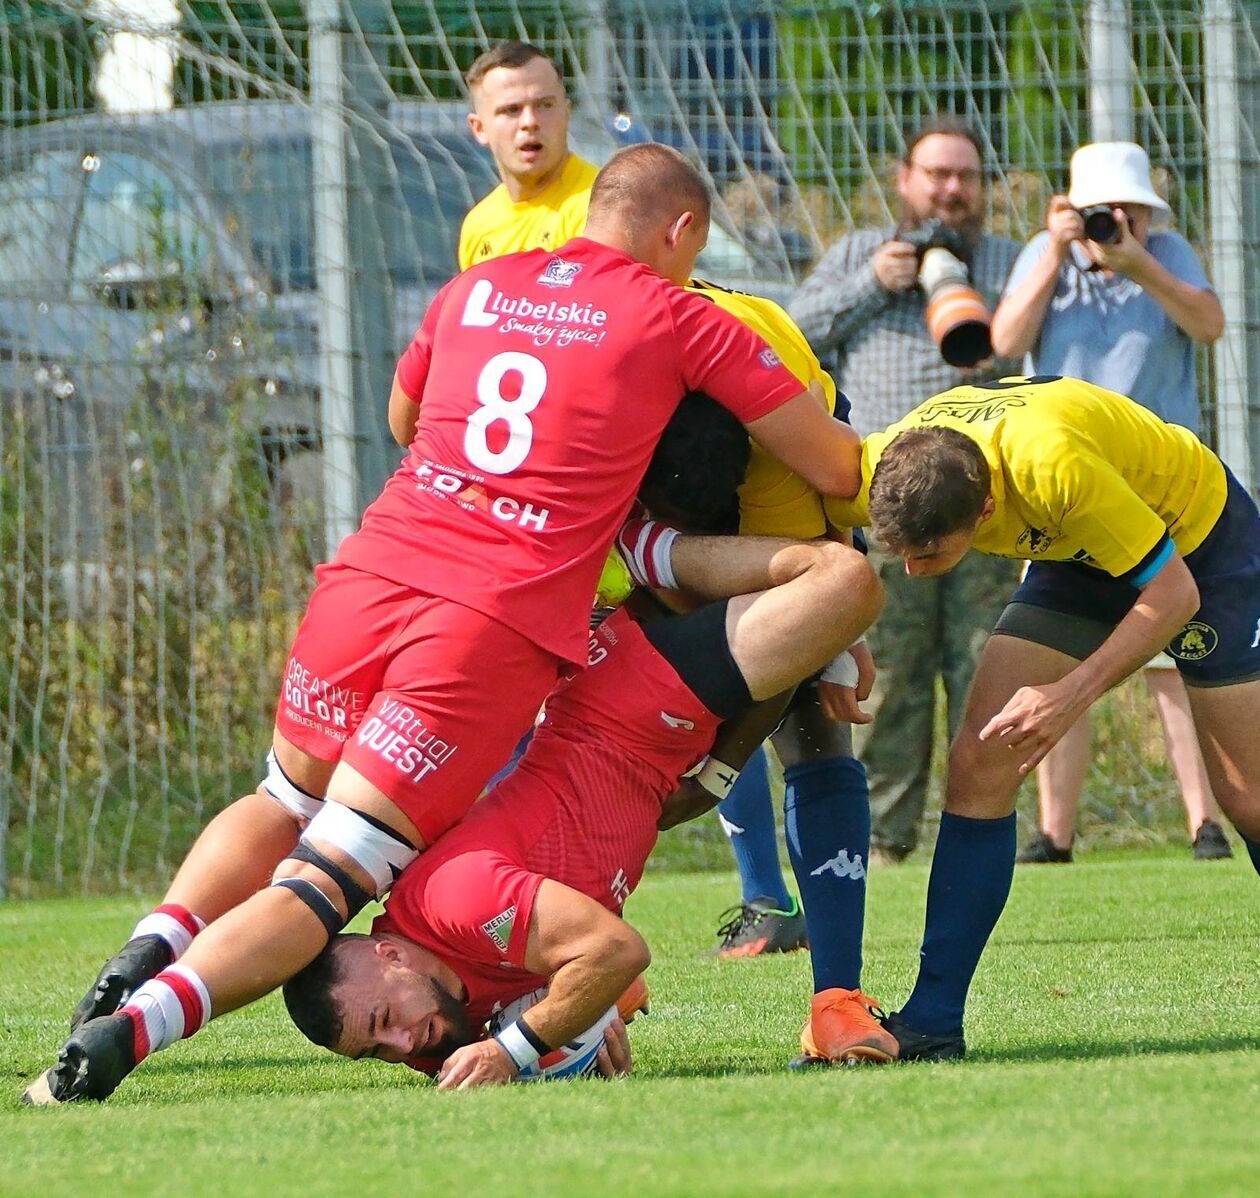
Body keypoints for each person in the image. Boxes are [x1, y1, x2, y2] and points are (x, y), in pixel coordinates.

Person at [28, 144, 865, 1105]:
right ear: (685, 234)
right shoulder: (678, 313)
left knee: (281, 798)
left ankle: (156, 941)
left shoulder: (477, 287)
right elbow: (840, 470)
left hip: (367, 577)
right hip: (484, 618)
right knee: (327, 879)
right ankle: (135, 1029)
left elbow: (402, 415)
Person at [282, 532, 884, 1087]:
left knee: (843, 581)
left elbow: (618, 953)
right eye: (377, 1050)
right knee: (815, 615)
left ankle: (640, 544)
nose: (404, 1043)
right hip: (652, 741)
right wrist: (585, 1009)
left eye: (386, 1019)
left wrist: (517, 1046)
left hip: (638, 696)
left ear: (390, 955)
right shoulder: (430, 1017)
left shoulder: (454, 900)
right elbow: (597, 979)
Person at [823, 373, 1260, 1061]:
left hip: (1197, 541)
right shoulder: (882, 465)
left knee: (1248, 799)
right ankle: (934, 1021)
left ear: (989, 507)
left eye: (928, 554)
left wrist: (1071, 694)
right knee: (979, 760)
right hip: (1075, 553)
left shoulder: (1053, 468)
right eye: (898, 551)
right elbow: (823, 522)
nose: (911, 569)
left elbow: (1173, 594)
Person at [790, 115, 1024, 865]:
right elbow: (786, 336)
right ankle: (886, 843)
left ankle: (988, 830)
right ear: (904, 180)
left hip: (989, 511)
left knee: (985, 668)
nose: (951, 191)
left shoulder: (1007, 262)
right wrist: (873, 283)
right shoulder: (859, 253)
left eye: (965, 177)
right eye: (937, 174)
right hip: (888, 508)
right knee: (889, 684)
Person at [991, 140, 1231, 864]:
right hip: (1062, 488)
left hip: (1159, 483)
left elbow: (1210, 324)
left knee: (1174, 655)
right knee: (1051, 652)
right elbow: (1004, 340)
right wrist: (1055, 255)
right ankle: (1053, 831)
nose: (1118, 222)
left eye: (1130, 210)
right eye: (1104, 212)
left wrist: (1138, 263)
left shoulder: (1166, 254)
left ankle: (1204, 824)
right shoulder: (1046, 252)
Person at [458, 42, 598, 272]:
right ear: (479, 128)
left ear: (567, 113)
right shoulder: (479, 225)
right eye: (511, 110)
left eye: (544, 105)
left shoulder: (602, 211)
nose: (530, 122)